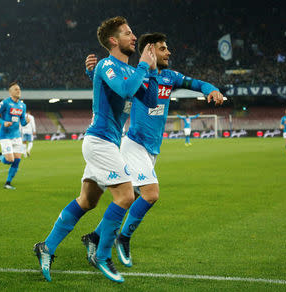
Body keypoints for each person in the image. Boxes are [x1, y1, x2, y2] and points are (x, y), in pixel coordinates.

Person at [82, 33, 223, 270]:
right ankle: (122, 238)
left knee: (133, 197)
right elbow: (112, 88)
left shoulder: (169, 76)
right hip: (134, 143)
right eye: (163, 48)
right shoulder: (136, 75)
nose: (169, 52)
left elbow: (195, 83)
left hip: (151, 149)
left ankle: (95, 237)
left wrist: (211, 89)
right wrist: (91, 74)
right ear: (150, 50)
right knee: (151, 193)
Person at [33, 16, 158, 284]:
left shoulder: (127, 71)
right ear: (113, 41)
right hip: (99, 141)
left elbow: (149, 100)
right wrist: (143, 66)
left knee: (87, 201)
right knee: (126, 196)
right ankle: (101, 255)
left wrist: (152, 70)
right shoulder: (107, 65)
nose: (134, 37)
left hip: (108, 143)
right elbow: (125, 90)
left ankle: (46, 247)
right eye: (127, 33)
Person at [0, 81, 29, 190]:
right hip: (5, 136)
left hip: (17, 136)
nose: (18, 91)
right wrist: (3, 122)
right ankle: (0, 156)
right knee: (9, 160)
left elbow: (22, 122)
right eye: (16, 89)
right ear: (10, 92)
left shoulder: (23, 105)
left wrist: (26, 121)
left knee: (17, 160)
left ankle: (8, 182)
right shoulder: (5, 103)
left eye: (19, 89)